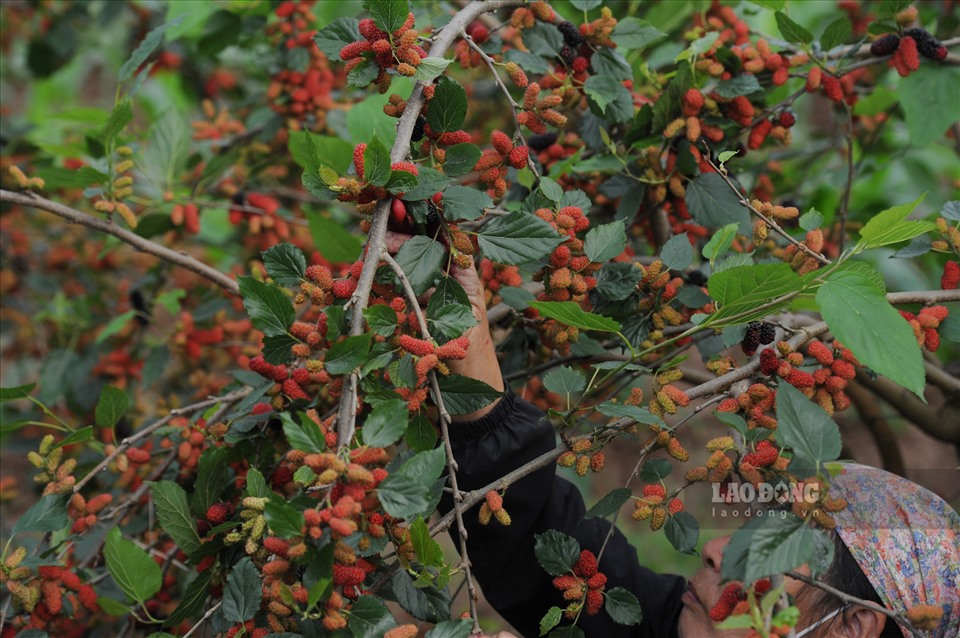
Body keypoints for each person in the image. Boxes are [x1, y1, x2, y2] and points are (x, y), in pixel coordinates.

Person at [385, 232, 960, 638]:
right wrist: (468, 343)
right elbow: (540, 544)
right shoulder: (669, 623)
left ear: (851, 626)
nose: (714, 548)